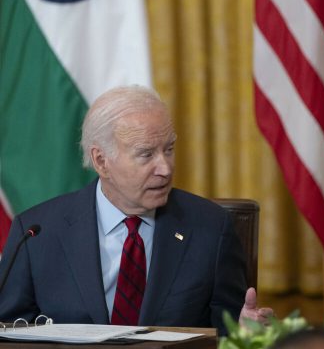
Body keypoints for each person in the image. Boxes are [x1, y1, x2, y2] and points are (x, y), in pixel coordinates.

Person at [0, 85, 271, 334]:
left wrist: (243, 334)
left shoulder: (211, 229)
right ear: (101, 160)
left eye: (169, 149)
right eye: (146, 154)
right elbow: (10, 332)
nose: (165, 169)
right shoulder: (37, 233)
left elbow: (227, 332)